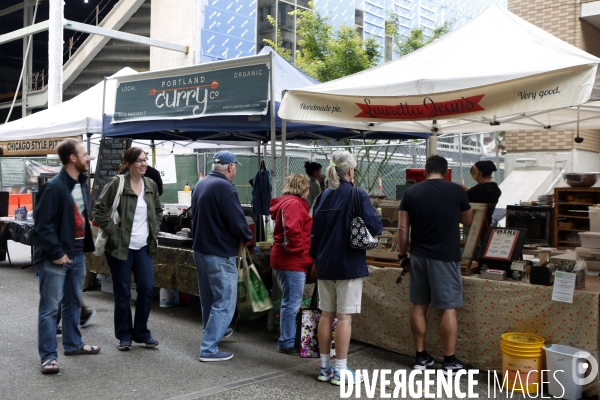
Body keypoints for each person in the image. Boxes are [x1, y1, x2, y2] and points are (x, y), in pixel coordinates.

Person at [310, 150, 382, 385]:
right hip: (349, 264)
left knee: (325, 316)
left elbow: (315, 233)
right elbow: (375, 226)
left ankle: (324, 368)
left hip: (325, 264)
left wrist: (315, 260)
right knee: (344, 318)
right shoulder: (356, 194)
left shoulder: (322, 196)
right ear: (350, 170)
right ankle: (341, 370)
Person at [397, 155, 474, 375]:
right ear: (446, 171)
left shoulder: (411, 192)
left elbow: (402, 229)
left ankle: (421, 357)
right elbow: (468, 220)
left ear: (424, 171)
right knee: (448, 307)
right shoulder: (456, 191)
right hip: (446, 256)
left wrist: (403, 256)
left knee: (419, 304)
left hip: (419, 256)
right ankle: (449, 361)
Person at [34, 139, 100, 374]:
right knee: (50, 308)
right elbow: (42, 225)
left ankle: (73, 344)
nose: (88, 158)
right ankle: (48, 356)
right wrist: (57, 252)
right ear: (72, 158)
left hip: (77, 254)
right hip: (55, 258)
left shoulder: (80, 183)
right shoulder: (54, 187)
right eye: (84, 154)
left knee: (73, 302)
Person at [94, 147, 163, 351]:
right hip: (120, 247)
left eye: (145, 160)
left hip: (143, 246)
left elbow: (158, 210)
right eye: (139, 161)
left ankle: (142, 332)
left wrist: (155, 228)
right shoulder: (117, 183)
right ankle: (125, 335)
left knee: (146, 289)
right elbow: (100, 209)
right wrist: (115, 234)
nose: (144, 164)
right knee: (122, 292)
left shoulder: (150, 184)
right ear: (128, 164)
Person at [191, 151, 252, 362]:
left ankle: (217, 330)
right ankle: (209, 348)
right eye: (235, 166)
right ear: (230, 167)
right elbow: (237, 221)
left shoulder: (201, 184)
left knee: (209, 298)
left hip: (200, 250)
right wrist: (247, 237)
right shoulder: (225, 188)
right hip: (219, 252)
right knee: (225, 301)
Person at [270, 173, 313, 355]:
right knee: (292, 302)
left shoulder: (286, 202)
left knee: (289, 301)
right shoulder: (294, 204)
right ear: (303, 188)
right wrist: (303, 252)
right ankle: (287, 342)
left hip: (284, 258)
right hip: (291, 260)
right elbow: (292, 232)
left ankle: (287, 339)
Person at [461, 160, 502, 226]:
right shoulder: (495, 189)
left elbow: (470, 194)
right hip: (488, 224)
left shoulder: (478, 190)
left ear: (480, 174)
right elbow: (481, 192)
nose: (475, 179)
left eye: (475, 176)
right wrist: (466, 188)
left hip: (474, 226)